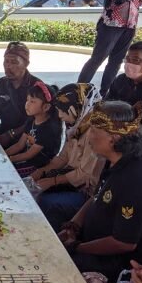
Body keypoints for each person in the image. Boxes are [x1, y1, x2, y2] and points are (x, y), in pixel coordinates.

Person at [59, 101, 142, 283]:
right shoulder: (117, 159)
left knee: (60, 265)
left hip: (126, 262)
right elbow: (97, 196)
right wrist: (73, 226)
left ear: (115, 138)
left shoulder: (135, 179)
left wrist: (77, 247)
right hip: (98, 241)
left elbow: (125, 242)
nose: (89, 137)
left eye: (94, 131)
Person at [32, 83, 104, 231]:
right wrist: (43, 171)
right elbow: (63, 157)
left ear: (77, 107)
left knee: (46, 201)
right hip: (70, 180)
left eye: (63, 111)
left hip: (86, 191)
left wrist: (53, 181)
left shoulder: (94, 132)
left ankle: (57, 238)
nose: (60, 116)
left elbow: (85, 174)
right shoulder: (76, 125)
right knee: (34, 187)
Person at [78, 0, 142, 96]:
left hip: (130, 25)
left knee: (116, 61)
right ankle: (78, 92)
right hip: (111, 23)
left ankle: (105, 94)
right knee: (97, 58)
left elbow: (141, 0)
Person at [0, 42, 41, 149]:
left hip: (29, 139)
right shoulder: (0, 84)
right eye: (6, 61)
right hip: (3, 134)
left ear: (26, 64)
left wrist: (10, 135)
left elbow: (38, 120)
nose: (8, 66)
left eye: (14, 62)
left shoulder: (37, 87)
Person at [5, 82, 63, 178]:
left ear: (46, 107)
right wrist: (4, 154)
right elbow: (19, 145)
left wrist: (9, 159)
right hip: (27, 161)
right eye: (27, 100)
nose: (27, 104)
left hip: (38, 167)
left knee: (8, 172)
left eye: (32, 101)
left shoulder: (48, 130)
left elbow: (29, 154)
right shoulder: (31, 121)